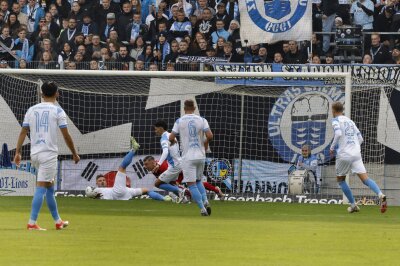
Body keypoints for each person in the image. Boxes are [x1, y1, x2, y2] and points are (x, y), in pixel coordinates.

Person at [14, 81, 80, 231]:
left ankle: (58, 221)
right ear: (57, 93)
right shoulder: (58, 111)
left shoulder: (31, 109)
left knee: (50, 187)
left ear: (41, 94)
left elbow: (23, 132)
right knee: (42, 187)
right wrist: (74, 154)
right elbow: (66, 135)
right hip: (48, 154)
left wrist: (17, 152)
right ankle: (32, 222)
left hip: (35, 153)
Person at [330, 102, 387, 213]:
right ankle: (381, 194)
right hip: (356, 153)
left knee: (341, 180)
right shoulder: (351, 121)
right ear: (342, 110)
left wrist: (332, 148)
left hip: (344, 154)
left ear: (333, 110)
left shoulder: (335, 120)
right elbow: (360, 138)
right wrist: (353, 148)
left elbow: (338, 134)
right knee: (365, 179)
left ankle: (353, 205)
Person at [85, 137, 171, 202]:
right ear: (95, 185)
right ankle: (134, 149)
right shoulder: (96, 191)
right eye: (100, 181)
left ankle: (165, 199)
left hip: (124, 194)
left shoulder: (98, 194)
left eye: (103, 180)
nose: (102, 182)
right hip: (118, 191)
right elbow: (89, 190)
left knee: (146, 190)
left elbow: (89, 192)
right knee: (122, 167)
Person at [169, 99, 213, 216]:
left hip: (188, 157)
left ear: (184, 109)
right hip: (200, 156)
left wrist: (173, 141)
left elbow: (171, 137)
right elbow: (210, 135)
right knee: (199, 181)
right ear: (194, 108)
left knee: (191, 184)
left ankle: (203, 209)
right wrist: (205, 143)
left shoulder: (179, 121)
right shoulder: (202, 120)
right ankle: (206, 200)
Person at [152, 120, 186, 202]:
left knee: (157, 184)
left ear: (161, 128)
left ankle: (180, 190)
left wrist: (158, 164)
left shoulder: (164, 138)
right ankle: (184, 199)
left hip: (175, 166)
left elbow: (166, 152)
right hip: (179, 163)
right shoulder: (172, 135)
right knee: (171, 184)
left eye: (156, 129)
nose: (155, 131)